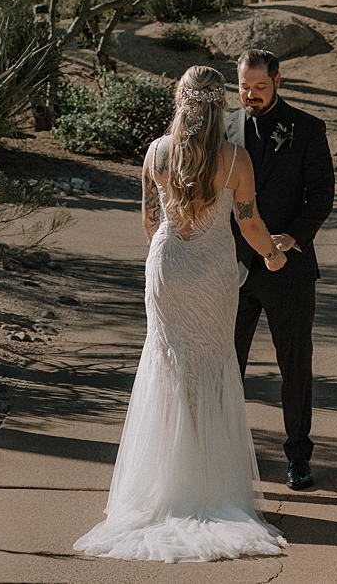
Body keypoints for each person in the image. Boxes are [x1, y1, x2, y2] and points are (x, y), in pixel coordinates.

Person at [73, 65, 288, 562]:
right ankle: (209, 486)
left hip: (168, 265)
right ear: (220, 106)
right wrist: (273, 256)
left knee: (168, 364)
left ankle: (163, 485)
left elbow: (150, 220)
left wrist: (169, 254)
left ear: (181, 101)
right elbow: (250, 223)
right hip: (213, 271)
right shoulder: (235, 158)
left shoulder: (156, 152)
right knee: (211, 365)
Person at [229, 47, 335, 490]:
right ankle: (228, 457)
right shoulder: (224, 128)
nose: (250, 95)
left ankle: (298, 456)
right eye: (244, 87)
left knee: (294, 364)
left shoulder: (308, 129)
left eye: (260, 87)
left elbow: (322, 195)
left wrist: (291, 238)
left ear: (278, 82)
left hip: (287, 268)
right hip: (231, 267)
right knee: (225, 364)